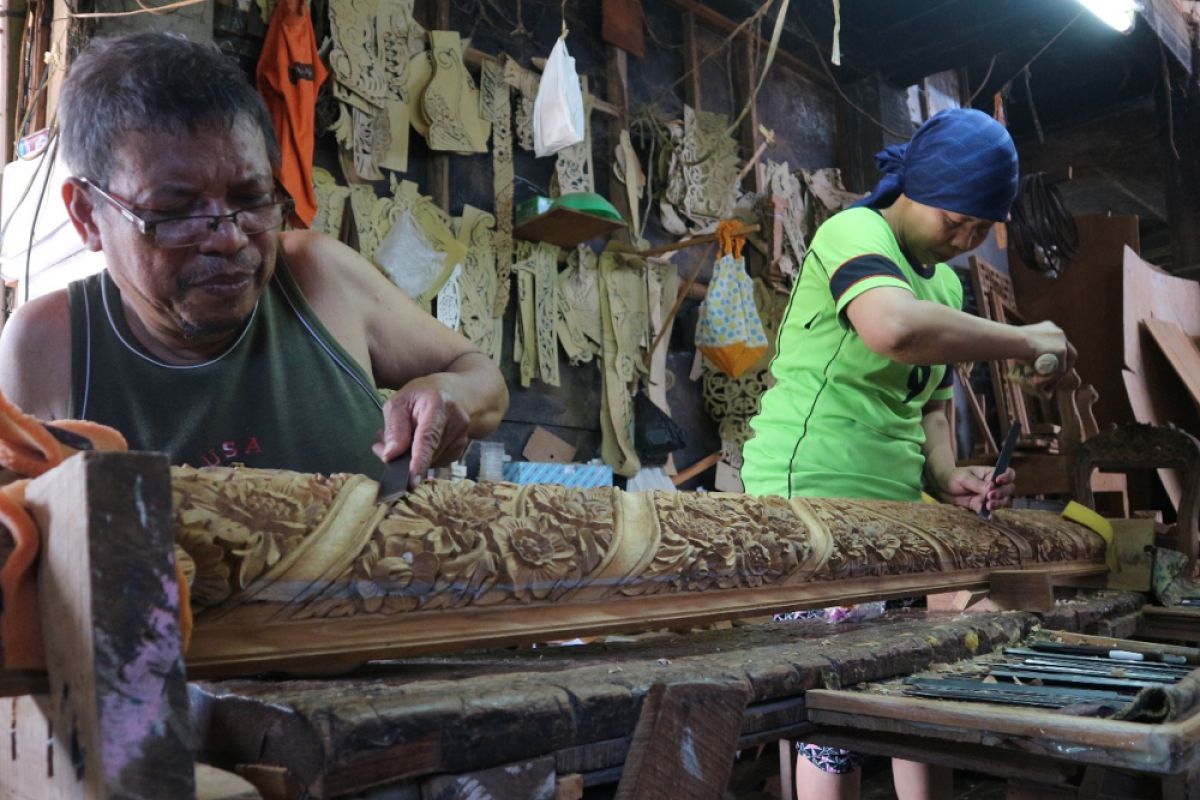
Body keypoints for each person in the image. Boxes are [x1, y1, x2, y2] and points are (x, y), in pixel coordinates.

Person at [742, 108, 1076, 799]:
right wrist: (1022, 337)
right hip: (807, 501)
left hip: (892, 516)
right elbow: (892, 330)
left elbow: (927, 401)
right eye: (957, 222)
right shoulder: (853, 232)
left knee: (914, 689)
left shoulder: (946, 287)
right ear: (914, 188)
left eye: (982, 229)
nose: (966, 240)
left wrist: (949, 474)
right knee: (836, 709)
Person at [0, 32, 508, 480]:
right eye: (175, 211)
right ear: (88, 215)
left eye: (251, 199)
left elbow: (479, 371)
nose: (229, 239)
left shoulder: (319, 276)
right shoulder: (47, 346)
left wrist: (448, 392)